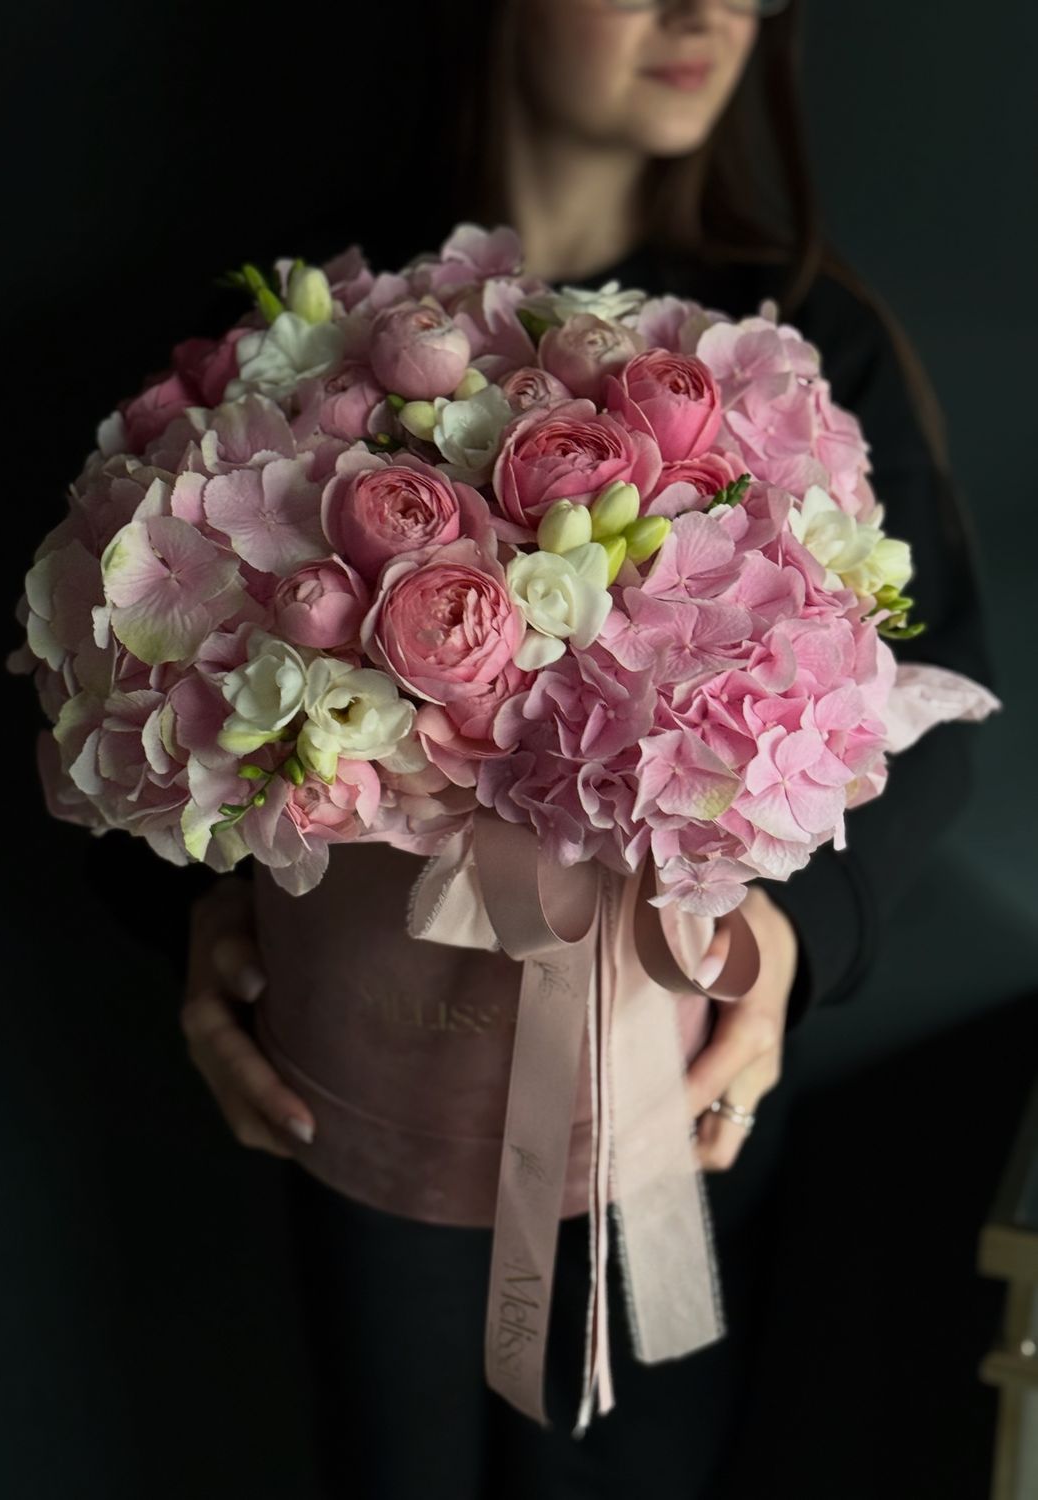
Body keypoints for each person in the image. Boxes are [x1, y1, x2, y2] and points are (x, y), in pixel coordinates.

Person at [177, 2, 995, 1496]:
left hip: (677, 1100)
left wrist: (786, 947)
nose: (707, 14)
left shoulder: (801, 337)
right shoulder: (308, 339)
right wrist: (202, 931)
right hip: (369, 1094)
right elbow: (145, 682)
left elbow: (937, 708)